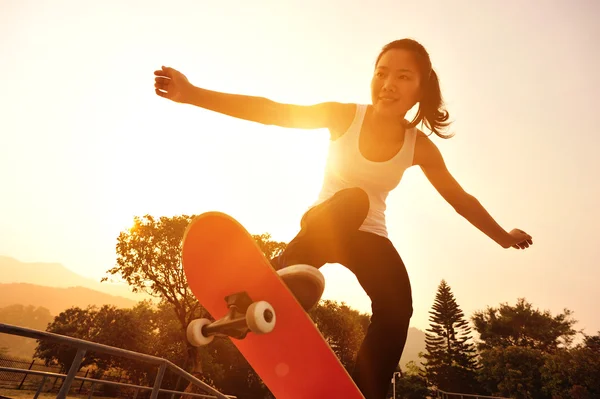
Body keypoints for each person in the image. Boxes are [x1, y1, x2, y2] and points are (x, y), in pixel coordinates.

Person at [154, 38, 533, 399]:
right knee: (353, 200)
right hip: (325, 224)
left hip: (369, 237)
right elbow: (271, 111)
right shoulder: (344, 116)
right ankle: (282, 272)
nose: (388, 84)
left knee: (397, 306)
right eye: (381, 73)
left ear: (420, 89)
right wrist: (193, 94)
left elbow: (459, 198)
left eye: (403, 77)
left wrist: (502, 236)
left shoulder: (420, 147)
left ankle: (365, 394)